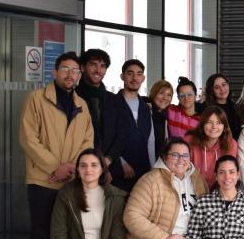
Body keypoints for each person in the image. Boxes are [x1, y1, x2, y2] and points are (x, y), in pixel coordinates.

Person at [19, 51, 94, 239]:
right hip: (42, 181)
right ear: (54, 72)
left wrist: (72, 169)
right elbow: (29, 139)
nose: (70, 74)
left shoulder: (82, 105)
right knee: (39, 238)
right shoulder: (37, 100)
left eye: (75, 71)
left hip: (70, 183)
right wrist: (55, 167)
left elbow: (87, 142)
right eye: (65, 69)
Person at [74, 49, 126, 182]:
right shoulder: (73, 97)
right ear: (82, 67)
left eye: (102, 66)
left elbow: (122, 133)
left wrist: (108, 159)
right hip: (81, 168)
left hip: (112, 168)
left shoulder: (114, 100)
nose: (98, 70)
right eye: (93, 64)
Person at [111, 60, 156, 191]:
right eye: (130, 73)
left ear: (143, 78)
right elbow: (107, 138)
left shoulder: (146, 107)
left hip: (143, 172)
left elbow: (150, 140)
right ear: (122, 76)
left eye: (139, 74)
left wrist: (152, 169)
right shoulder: (112, 104)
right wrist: (121, 163)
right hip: (119, 173)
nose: (134, 78)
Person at [185, 106, 239, 188]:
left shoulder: (231, 144)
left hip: (219, 188)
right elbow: (183, 169)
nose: (214, 127)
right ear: (202, 125)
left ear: (224, 126)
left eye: (218, 123)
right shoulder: (189, 140)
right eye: (209, 122)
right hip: (191, 187)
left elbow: (228, 173)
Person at [199, 73, 242, 140]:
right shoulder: (205, 108)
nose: (222, 89)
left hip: (232, 146)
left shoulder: (234, 107)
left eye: (224, 85)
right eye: (217, 87)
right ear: (211, 90)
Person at [148, 79, 173, 159]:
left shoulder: (164, 116)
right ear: (154, 93)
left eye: (169, 95)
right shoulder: (145, 112)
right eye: (161, 93)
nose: (165, 98)